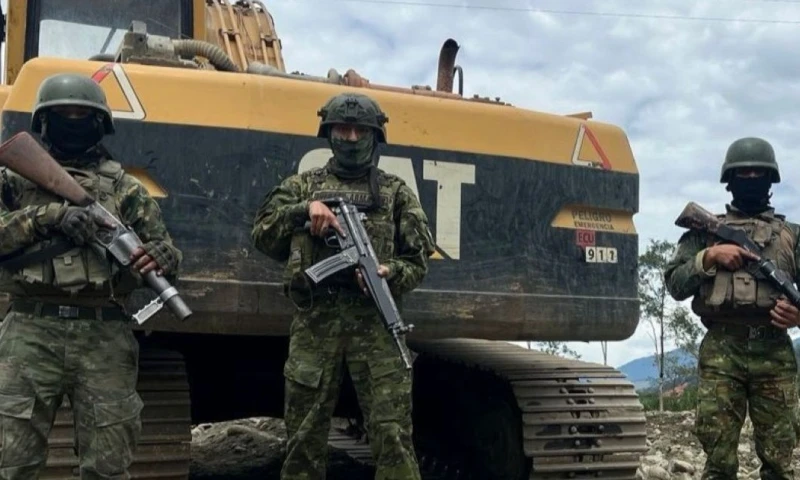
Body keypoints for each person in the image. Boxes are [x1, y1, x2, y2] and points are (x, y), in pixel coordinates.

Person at [0, 73, 182, 479]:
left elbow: (163, 249)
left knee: (108, 466)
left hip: (104, 334)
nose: (73, 120)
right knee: (11, 463)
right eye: (63, 114)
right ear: (44, 122)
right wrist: (49, 217)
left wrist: (164, 256)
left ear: (99, 123)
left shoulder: (126, 190)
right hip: (30, 328)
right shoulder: (12, 180)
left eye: (82, 114)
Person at [251, 91, 435, 479]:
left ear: (374, 136)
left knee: (393, 439)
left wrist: (389, 273)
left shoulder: (396, 192)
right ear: (328, 132)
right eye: (342, 128)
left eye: (360, 130)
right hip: (316, 324)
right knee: (303, 440)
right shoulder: (303, 186)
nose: (351, 138)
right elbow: (263, 234)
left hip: (377, 326)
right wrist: (305, 210)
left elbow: (417, 261)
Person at [664, 137, 800, 480]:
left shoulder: (791, 236)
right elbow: (675, 285)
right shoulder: (705, 233)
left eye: (759, 173)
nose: (752, 178)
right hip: (722, 349)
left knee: (780, 459)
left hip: (775, 351)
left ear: (771, 181)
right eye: (744, 173)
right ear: (730, 180)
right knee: (719, 459)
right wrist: (708, 257)